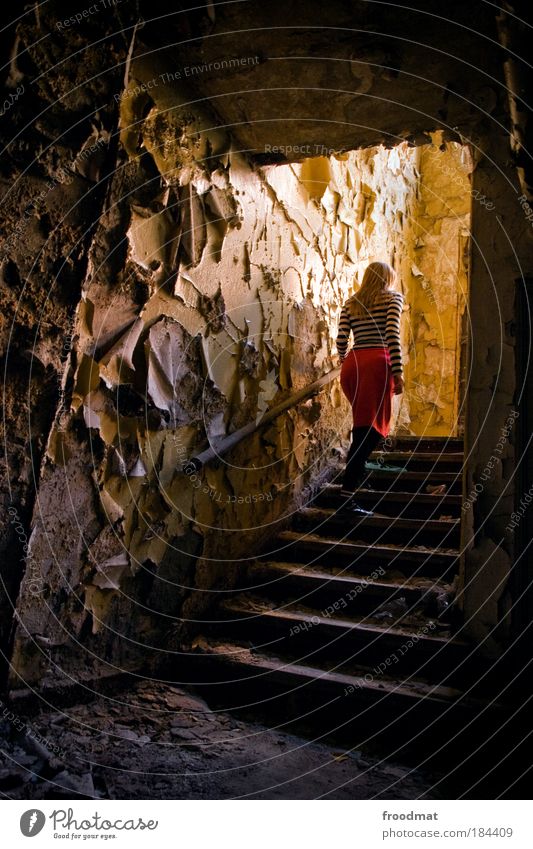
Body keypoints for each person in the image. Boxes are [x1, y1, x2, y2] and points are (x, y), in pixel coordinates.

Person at [336, 261, 404, 514]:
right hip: (377, 364)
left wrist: (346, 360)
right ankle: (346, 498)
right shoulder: (393, 298)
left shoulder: (351, 302)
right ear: (388, 278)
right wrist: (398, 372)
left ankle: (352, 484)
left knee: (365, 428)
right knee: (369, 432)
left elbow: (342, 339)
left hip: (354, 365)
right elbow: (392, 335)